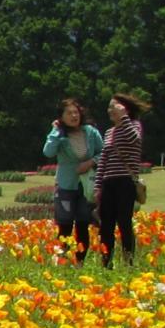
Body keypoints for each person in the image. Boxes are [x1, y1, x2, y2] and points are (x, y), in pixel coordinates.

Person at [43, 98, 102, 265]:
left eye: (75, 112)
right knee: (65, 225)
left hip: (86, 186)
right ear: (61, 117)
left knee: (83, 224)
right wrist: (55, 130)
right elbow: (48, 152)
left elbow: (103, 152)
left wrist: (90, 163)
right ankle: (64, 260)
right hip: (66, 186)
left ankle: (80, 262)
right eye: (68, 113)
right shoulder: (59, 136)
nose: (73, 115)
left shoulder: (90, 132)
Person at [94, 92, 149, 269]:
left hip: (125, 181)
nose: (110, 111)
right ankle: (106, 262)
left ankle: (129, 262)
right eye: (109, 107)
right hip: (109, 182)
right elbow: (103, 159)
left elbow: (134, 139)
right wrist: (98, 186)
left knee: (124, 222)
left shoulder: (134, 125)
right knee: (106, 225)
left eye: (114, 107)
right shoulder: (109, 132)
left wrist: (124, 117)